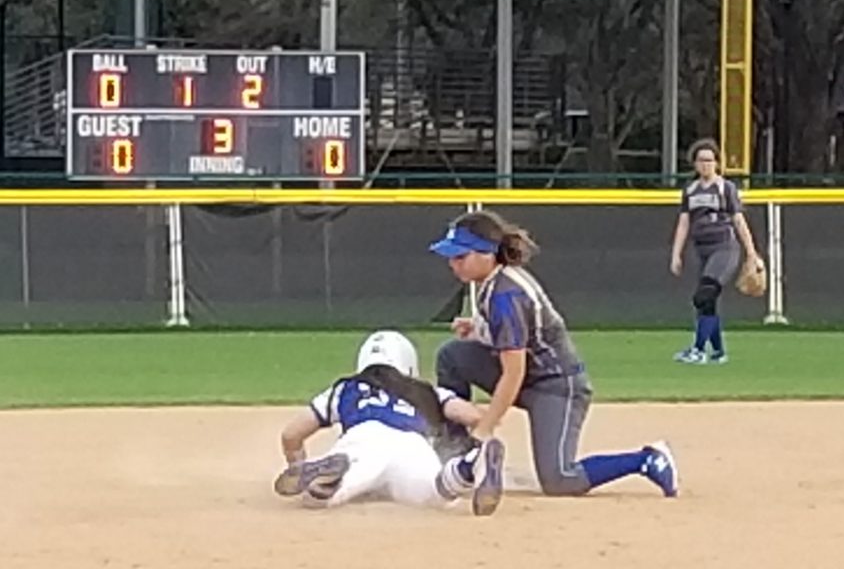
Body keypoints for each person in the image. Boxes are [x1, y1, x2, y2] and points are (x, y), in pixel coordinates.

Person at [427, 210, 679, 498]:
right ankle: (455, 452)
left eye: (461, 256)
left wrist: (485, 429)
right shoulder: (493, 282)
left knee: (559, 479)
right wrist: (478, 328)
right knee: (452, 356)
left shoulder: (506, 295)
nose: (453, 264)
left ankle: (647, 459)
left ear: (487, 254)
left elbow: (514, 373)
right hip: (533, 376)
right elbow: (520, 336)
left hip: (557, 386)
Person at [272, 329, 507, 516]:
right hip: (413, 446)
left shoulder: (345, 389)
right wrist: (478, 431)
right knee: (437, 493)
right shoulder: (427, 392)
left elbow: (291, 435)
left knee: (321, 498)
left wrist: (297, 463)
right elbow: (474, 417)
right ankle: (469, 466)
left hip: (363, 440)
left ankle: (327, 472)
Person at [669, 138, 763, 364]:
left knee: (704, 295)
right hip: (702, 248)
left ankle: (699, 350)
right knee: (708, 301)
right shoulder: (690, 190)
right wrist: (676, 253)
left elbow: (739, 221)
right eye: (701, 160)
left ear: (717, 164)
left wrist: (752, 253)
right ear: (695, 164)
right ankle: (719, 353)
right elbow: (683, 223)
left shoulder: (725, 188)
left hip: (724, 247)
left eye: (710, 160)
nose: (706, 165)